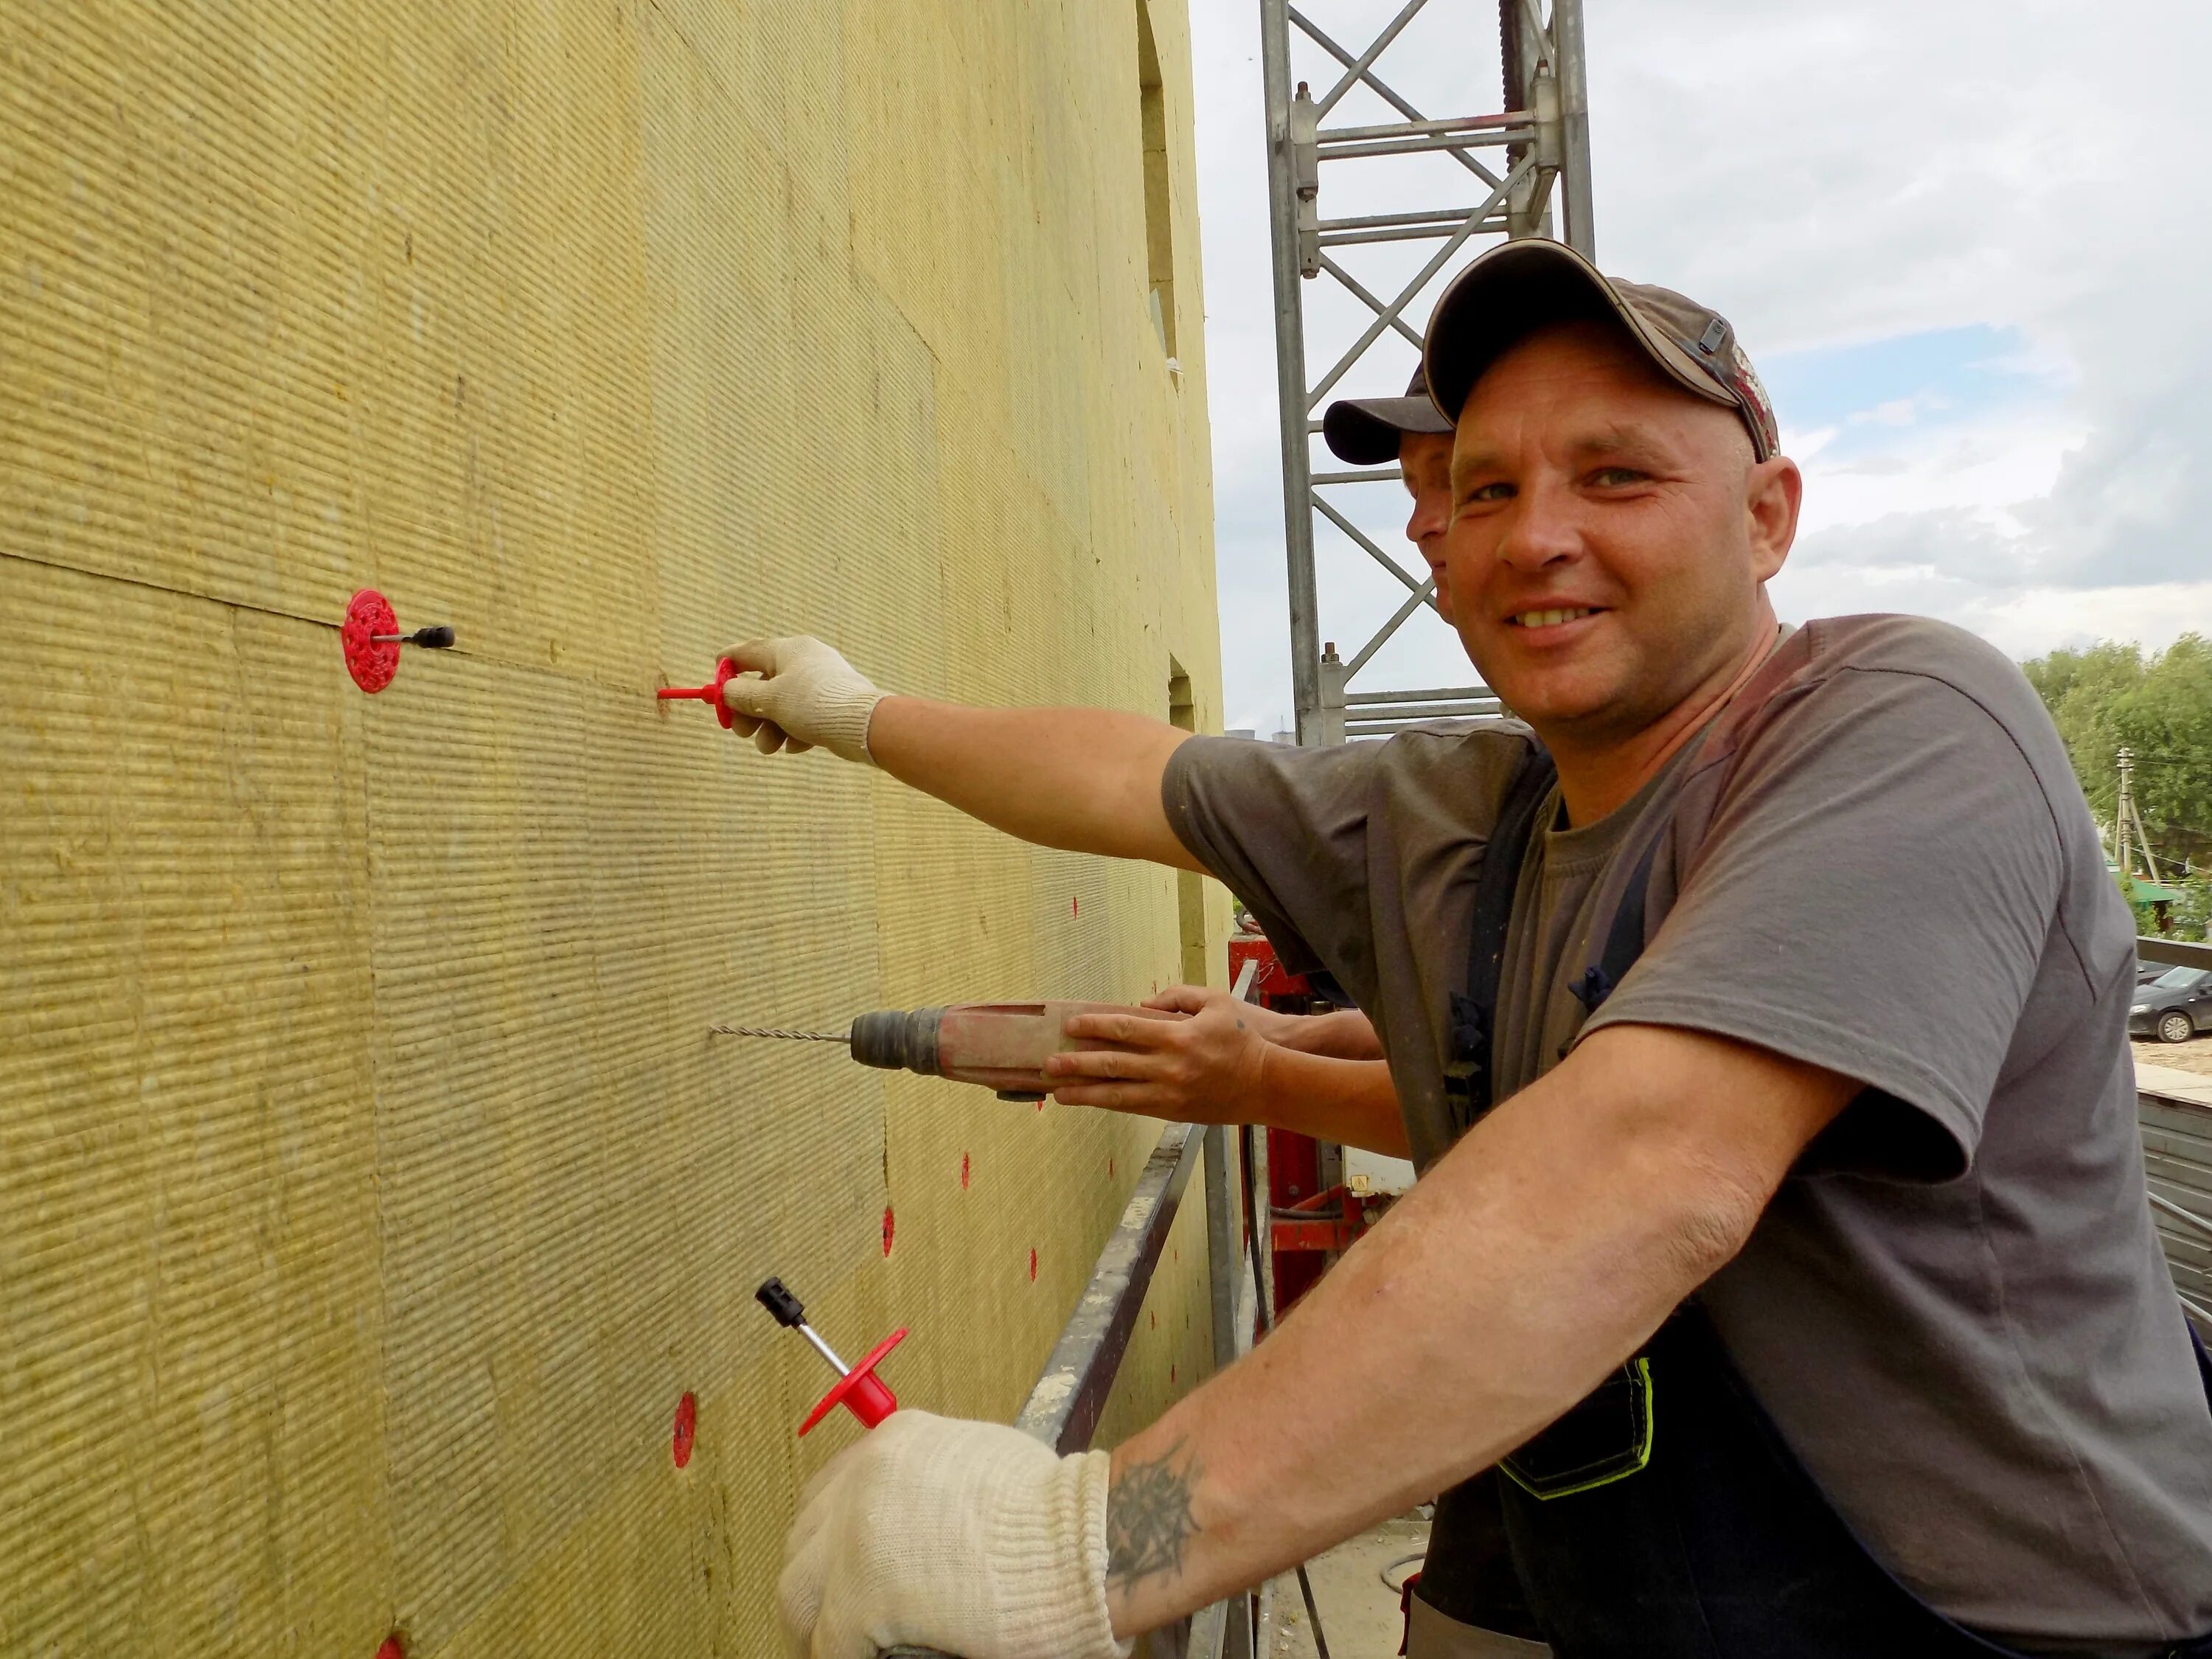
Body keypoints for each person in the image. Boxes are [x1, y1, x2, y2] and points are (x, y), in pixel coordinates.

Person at [741, 239, 2212, 1659]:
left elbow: (1643, 1166)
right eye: (1482, 485)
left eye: (1617, 475)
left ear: (1768, 517)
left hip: (2010, 1624)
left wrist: (1072, 1548)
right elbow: (1132, 774)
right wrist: (856, 717)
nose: (1531, 534)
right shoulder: (1452, 821)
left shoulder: (1898, 727)